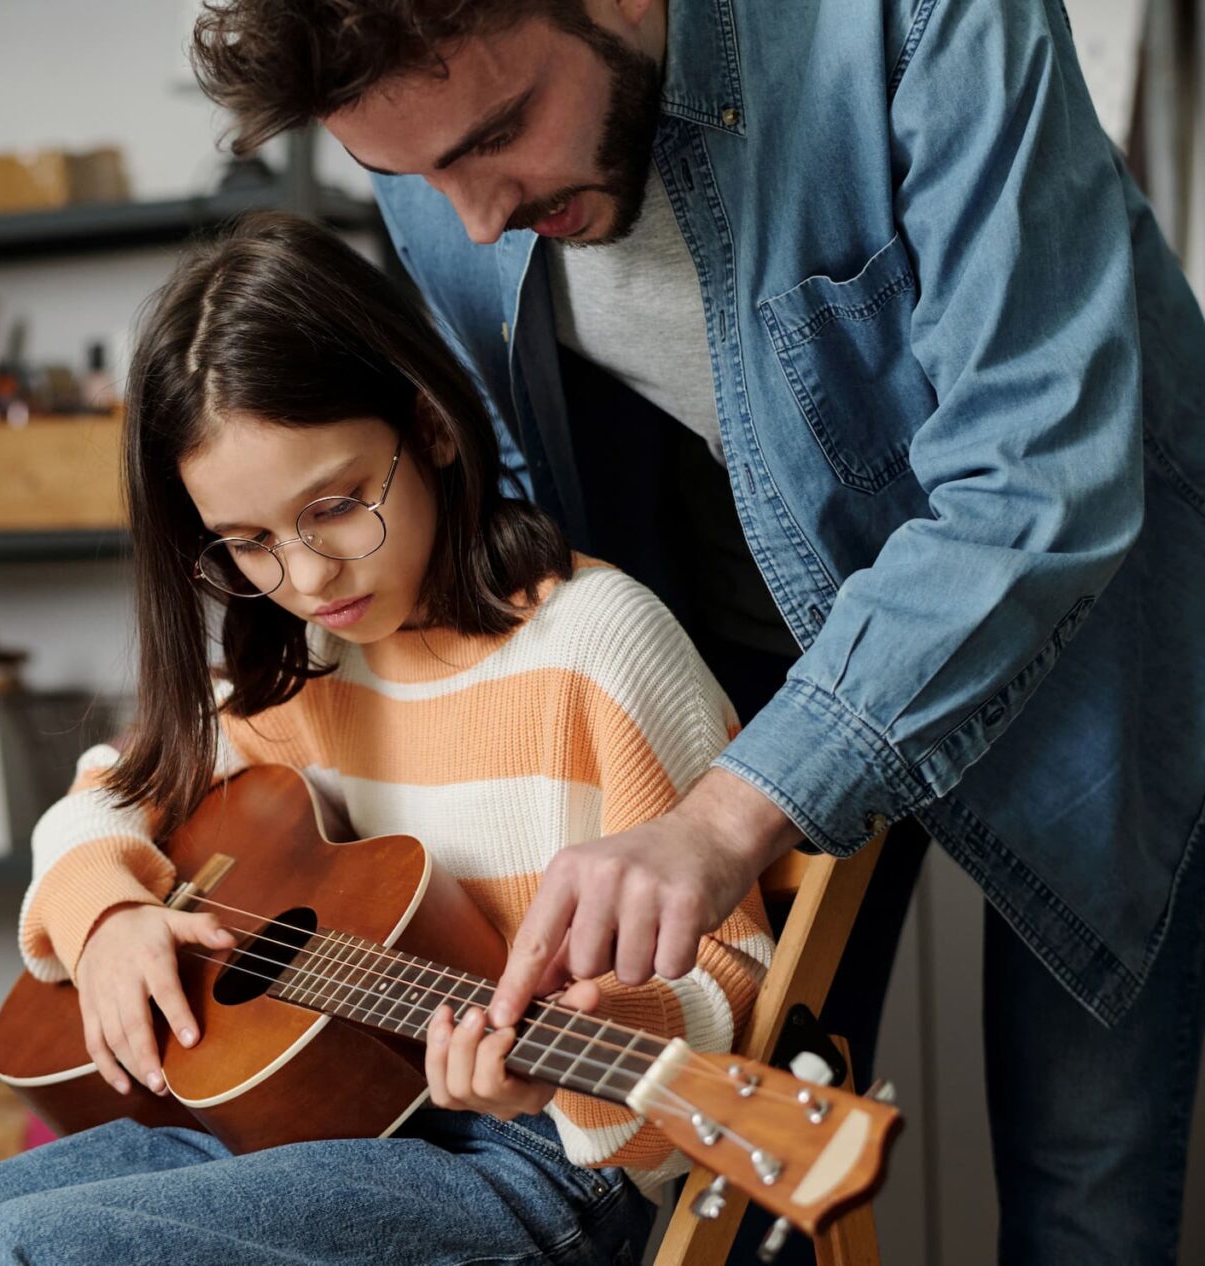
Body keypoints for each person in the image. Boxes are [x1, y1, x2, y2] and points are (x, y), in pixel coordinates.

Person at [191, 0, 1205, 1258]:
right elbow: (512, 475)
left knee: (1083, 1186)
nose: (473, 217)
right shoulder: (442, 155)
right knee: (749, 1186)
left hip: (1092, 631)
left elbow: (1037, 474)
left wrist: (730, 814)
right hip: (747, 640)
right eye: (410, 174)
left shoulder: (924, 19)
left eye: (500, 135)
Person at [0, 213, 769, 1265]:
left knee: (17, 1256)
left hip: (536, 1164)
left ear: (431, 425)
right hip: (291, 1127)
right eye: (249, 542)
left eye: (338, 506)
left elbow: (732, 977)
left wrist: (573, 1046)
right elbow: (101, 796)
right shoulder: (301, 666)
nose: (308, 580)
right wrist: (108, 919)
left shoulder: (595, 642)